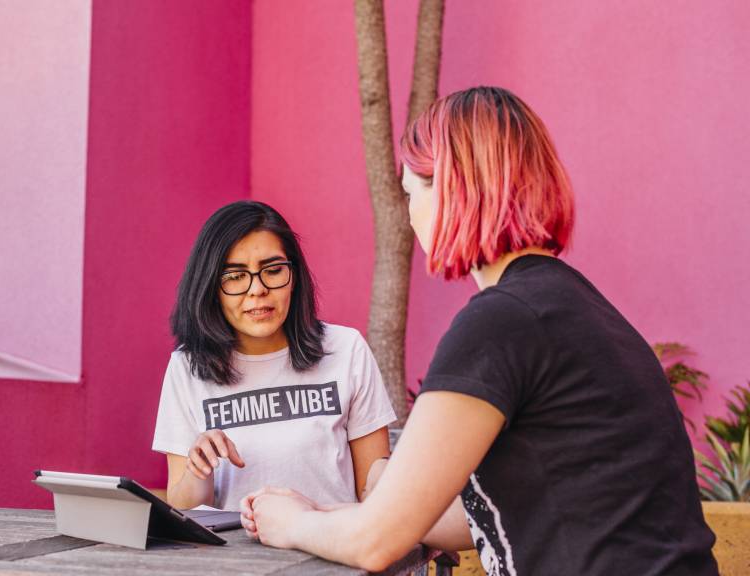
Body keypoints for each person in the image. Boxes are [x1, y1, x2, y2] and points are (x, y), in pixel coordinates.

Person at [241, 87, 718, 575]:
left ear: (452, 189)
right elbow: (478, 519)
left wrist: (291, 523)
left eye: (411, 193)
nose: (409, 215)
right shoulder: (572, 307)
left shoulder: (501, 322)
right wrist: (327, 513)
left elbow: (377, 543)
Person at [152, 200, 397, 512]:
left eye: (273, 270)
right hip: (235, 558)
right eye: (235, 276)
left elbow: (373, 494)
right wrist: (198, 469)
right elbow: (185, 508)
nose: (257, 289)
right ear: (211, 286)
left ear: (293, 276)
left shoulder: (345, 350)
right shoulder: (187, 367)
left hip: (334, 550)